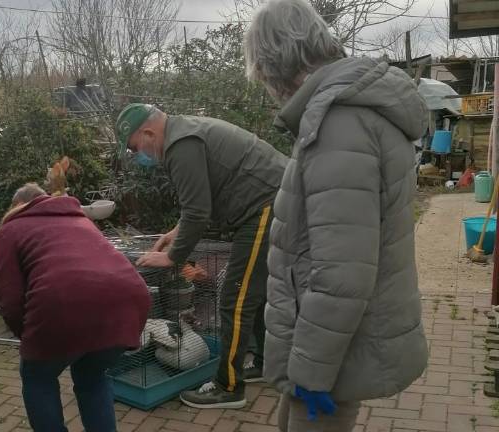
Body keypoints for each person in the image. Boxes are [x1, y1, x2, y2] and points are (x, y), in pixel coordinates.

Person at [244, 0, 429, 430]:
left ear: (277, 63)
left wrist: (311, 374)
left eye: (264, 74)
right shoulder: (350, 111)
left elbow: (341, 272)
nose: (267, 86)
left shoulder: (338, 124)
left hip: (333, 350)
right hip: (332, 340)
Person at [115, 104, 288, 409]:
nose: (137, 154)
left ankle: (228, 387)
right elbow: (200, 202)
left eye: (134, 147)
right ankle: (263, 363)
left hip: (266, 205)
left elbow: (197, 211)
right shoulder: (185, 132)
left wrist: (172, 257)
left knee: (234, 300)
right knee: (254, 294)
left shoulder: (180, 144)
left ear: (147, 133)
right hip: (272, 201)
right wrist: (175, 231)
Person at [0, 187, 151, 431]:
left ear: (17, 206)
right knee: (93, 376)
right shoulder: (81, 221)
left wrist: (29, 339)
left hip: (62, 305)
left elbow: (9, 300)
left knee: (38, 378)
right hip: (129, 302)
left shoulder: (9, 231)